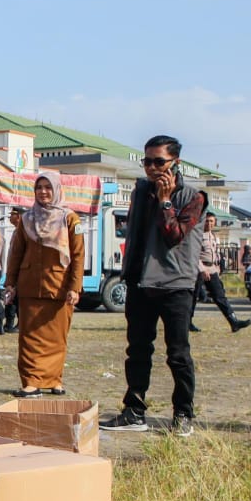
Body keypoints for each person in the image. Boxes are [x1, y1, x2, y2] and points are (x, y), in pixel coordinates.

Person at [100, 135, 206, 437]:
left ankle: (183, 413)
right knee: (137, 351)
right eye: (146, 161)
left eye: (159, 161)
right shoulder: (140, 190)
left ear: (176, 163)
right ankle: (134, 411)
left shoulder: (193, 196)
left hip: (176, 285)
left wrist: (166, 201)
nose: (151, 167)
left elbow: (174, 235)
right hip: (140, 282)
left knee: (178, 354)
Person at [4, 171, 86, 397]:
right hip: (29, 285)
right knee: (29, 336)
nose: (43, 192)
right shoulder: (27, 219)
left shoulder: (70, 218)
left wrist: (74, 287)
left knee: (56, 336)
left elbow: (78, 255)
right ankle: (31, 381)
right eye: (39, 187)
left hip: (59, 286)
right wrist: (10, 283)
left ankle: (54, 380)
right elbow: (16, 252)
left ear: (57, 189)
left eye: (48, 187)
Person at [191, 213, 251, 332]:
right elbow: (194, 254)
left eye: (211, 221)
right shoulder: (197, 235)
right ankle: (187, 323)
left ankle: (233, 321)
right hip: (199, 270)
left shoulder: (213, 236)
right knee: (193, 297)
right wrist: (202, 269)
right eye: (207, 221)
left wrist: (218, 268)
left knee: (220, 296)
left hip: (212, 269)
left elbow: (216, 253)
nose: (209, 224)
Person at [3, 209, 23, 333]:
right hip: (13, 269)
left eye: (13, 215)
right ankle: (10, 323)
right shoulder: (16, 231)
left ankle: (21, 323)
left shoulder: (23, 232)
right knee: (11, 297)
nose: (10, 217)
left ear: (19, 216)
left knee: (19, 298)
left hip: (19, 271)